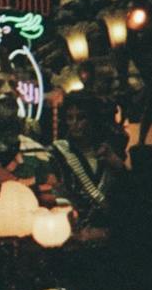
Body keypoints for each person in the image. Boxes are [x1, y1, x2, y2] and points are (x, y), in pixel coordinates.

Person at [50, 93, 126, 225]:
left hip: (111, 227)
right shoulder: (58, 153)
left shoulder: (110, 150)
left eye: (81, 117)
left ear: (93, 119)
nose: (75, 123)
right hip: (74, 227)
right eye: (70, 118)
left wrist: (118, 164)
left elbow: (128, 192)